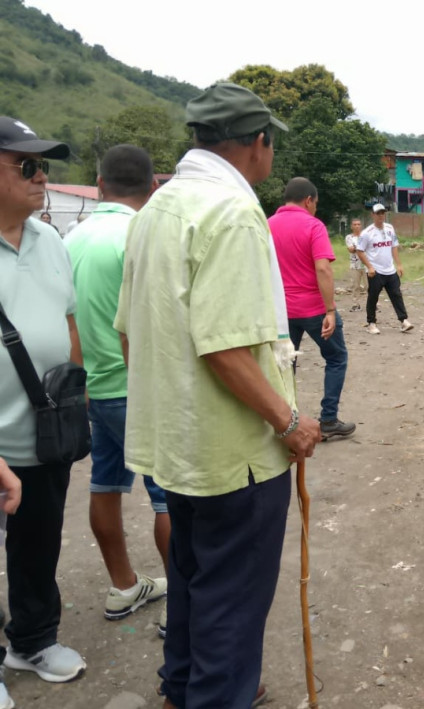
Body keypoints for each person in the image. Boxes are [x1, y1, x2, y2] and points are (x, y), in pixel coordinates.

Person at [115, 83, 321, 709]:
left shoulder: (156, 208)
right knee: (232, 599)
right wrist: (289, 422)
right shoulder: (231, 212)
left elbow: (128, 334)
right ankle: (213, 695)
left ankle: (182, 688)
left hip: (180, 447)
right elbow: (225, 349)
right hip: (236, 457)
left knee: (193, 577)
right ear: (258, 142)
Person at [0, 116, 87, 706]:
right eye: (27, 165)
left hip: (45, 435)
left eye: (44, 166)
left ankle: (31, 640)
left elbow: (68, 322)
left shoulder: (50, 240)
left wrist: (75, 400)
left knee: (38, 545)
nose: (41, 177)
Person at [66, 145, 169, 632]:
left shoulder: (70, 238)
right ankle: (185, 605)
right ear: (154, 186)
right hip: (137, 387)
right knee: (169, 496)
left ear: (99, 185)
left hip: (92, 388)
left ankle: (123, 584)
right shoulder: (142, 234)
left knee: (105, 484)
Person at [269, 177, 356, 440]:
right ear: (308, 200)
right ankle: (328, 419)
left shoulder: (267, 225)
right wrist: (330, 310)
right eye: (316, 203)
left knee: (285, 364)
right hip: (314, 309)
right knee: (336, 358)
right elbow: (322, 268)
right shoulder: (313, 225)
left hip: (281, 311)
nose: (315, 208)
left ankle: (286, 422)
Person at [357, 203, 413, 334]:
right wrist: (369, 267)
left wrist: (399, 264)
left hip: (390, 269)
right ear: (373, 215)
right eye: (378, 213)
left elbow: (394, 246)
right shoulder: (367, 233)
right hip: (375, 271)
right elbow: (360, 251)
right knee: (373, 297)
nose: (381, 216)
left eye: (383, 213)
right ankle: (371, 323)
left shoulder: (389, 228)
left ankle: (403, 321)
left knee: (396, 295)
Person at [345, 218, 366, 294]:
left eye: (358, 224)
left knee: (369, 286)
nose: (357, 226)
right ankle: (355, 301)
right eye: (355, 224)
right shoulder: (349, 237)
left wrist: (356, 247)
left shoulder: (365, 236)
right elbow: (351, 249)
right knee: (355, 286)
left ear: (361, 226)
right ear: (351, 226)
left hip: (366, 264)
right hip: (354, 265)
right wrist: (361, 247)